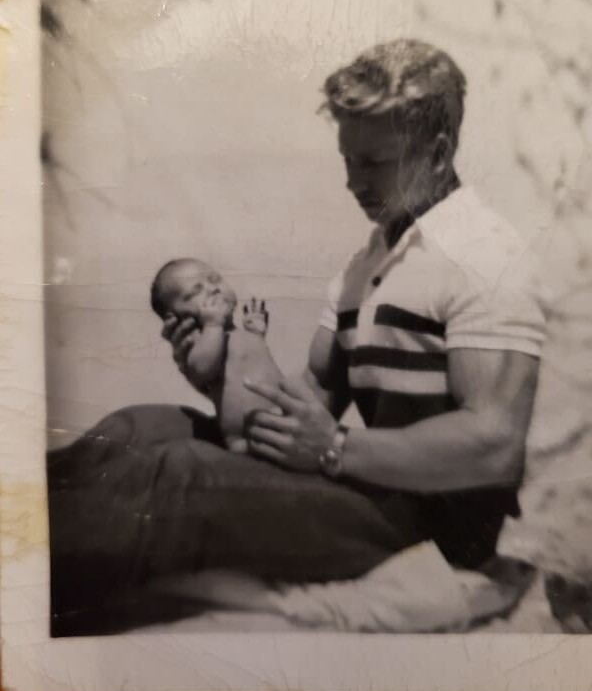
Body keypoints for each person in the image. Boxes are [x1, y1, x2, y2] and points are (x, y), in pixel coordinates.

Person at [48, 38, 546, 635]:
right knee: (140, 429)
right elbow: (304, 406)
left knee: (175, 475)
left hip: (428, 528)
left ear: (437, 154)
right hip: (360, 490)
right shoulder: (363, 270)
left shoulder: (485, 255)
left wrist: (336, 448)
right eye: (347, 159)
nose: (351, 182)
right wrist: (222, 377)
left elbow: (494, 443)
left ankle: (18, 574)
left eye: (373, 163)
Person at [150, 258, 277, 447]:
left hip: (278, 419)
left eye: (215, 279)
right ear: (176, 317)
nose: (212, 289)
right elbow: (201, 370)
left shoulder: (235, 332)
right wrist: (213, 325)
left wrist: (256, 334)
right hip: (247, 438)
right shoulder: (203, 341)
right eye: (195, 292)